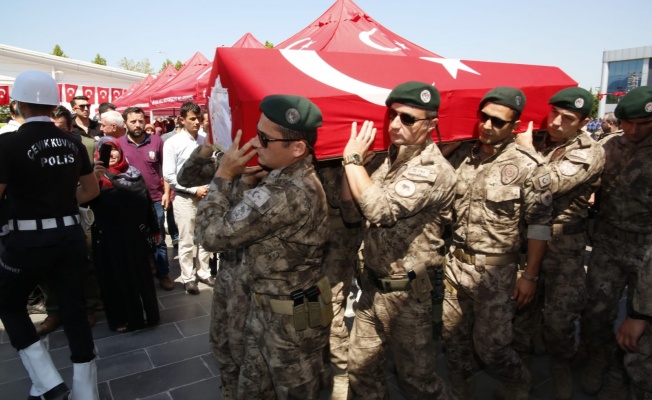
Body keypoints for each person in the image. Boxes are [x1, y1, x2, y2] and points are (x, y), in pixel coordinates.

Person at [196, 95, 331, 399]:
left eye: (265, 138)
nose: (255, 143)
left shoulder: (285, 193)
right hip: (268, 312)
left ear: (297, 148)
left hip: (290, 325)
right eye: (257, 133)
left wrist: (223, 176)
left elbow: (211, 235)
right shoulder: (285, 181)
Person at [339, 81, 454, 399]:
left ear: (432, 125)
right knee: (361, 370)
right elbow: (351, 212)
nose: (394, 125)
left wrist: (353, 162)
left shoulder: (433, 171)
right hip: (373, 288)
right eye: (392, 115)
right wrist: (349, 166)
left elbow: (378, 209)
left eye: (407, 119)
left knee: (418, 383)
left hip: (410, 295)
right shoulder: (390, 162)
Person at [442, 87, 553, 400]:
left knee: (491, 347)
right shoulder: (465, 157)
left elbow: (540, 227)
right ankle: (459, 391)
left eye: (498, 121)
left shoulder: (529, 167)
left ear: (514, 126)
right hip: (456, 267)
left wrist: (529, 276)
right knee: (453, 340)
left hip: (496, 273)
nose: (488, 125)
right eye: (484, 117)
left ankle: (519, 384)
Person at [0, 69, 100, 399]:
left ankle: (46, 379)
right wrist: (59, 203)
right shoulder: (73, 142)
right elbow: (90, 190)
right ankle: (85, 391)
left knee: (9, 303)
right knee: (73, 310)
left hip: (27, 241)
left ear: (18, 105)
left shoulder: (8, 143)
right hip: (69, 236)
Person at [512, 87, 605, 399]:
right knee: (522, 311)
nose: (557, 122)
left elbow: (547, 183)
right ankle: (521, 379)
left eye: (568, 118)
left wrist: (525, 152)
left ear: (583, 122)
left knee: (560, 317)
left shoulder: (590, 152)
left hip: (563, 244)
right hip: (527, 240)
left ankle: (560, 368)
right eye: (554, 113)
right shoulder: (538, 139)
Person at [582, 86, 652, 400]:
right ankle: (600, 359)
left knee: (641, 323)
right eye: (629, 122)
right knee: (596, 313)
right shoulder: (608, 146)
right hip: (608, 243)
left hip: (647, 252)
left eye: (644, 124)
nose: (634, 130)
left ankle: (624, 373)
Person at [90, 136, 161, 332]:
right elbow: (80, 202)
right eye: (105, 150)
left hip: (134, 236)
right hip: (108, 239)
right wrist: (94, 179)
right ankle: (122, 320)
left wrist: (154, 228)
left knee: (141, 277)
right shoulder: (93, 178)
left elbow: (147, 203)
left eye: (113, 149)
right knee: (114, 280)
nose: (111, 154)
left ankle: (148, 315)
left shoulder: (134, 174)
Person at [118, 106, 174, 290]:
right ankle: (140, 274)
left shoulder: (157, 141)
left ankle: (163, 274)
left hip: (155, 199)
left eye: (141, 121)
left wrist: (166, 193)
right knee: (134, 240)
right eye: (133, 121)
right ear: (125, 122)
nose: (138, 125)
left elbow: (166, 170)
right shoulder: (118, 144)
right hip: (129, 201)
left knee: (158, 239)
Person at [162, 101, 213, 295]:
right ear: (181, 120)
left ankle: (204, 272)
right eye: (192, 119)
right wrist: (193, 190)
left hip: (206, 195)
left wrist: (207, 188)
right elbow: (168, 175)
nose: (197, 122)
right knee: (186, 239)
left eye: (198, 118)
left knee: (205, 236)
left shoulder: (204, 140)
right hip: (185, 197)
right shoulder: (172, 143)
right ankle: (188, 277)